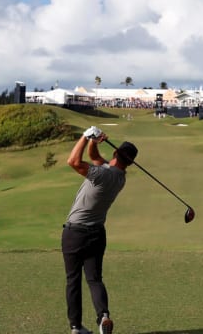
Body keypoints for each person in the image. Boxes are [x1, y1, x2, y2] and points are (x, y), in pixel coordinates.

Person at [62, 126, 136, 334]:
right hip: (96, 233)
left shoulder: (102, 174)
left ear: (115, 154)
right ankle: (103, 316)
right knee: (94, 279)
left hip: (74, 233)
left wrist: (85, 136)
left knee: (73, 280)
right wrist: (95, 141)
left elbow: (73, 162)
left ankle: (76, 327)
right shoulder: (119, 177)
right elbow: (94, 157)